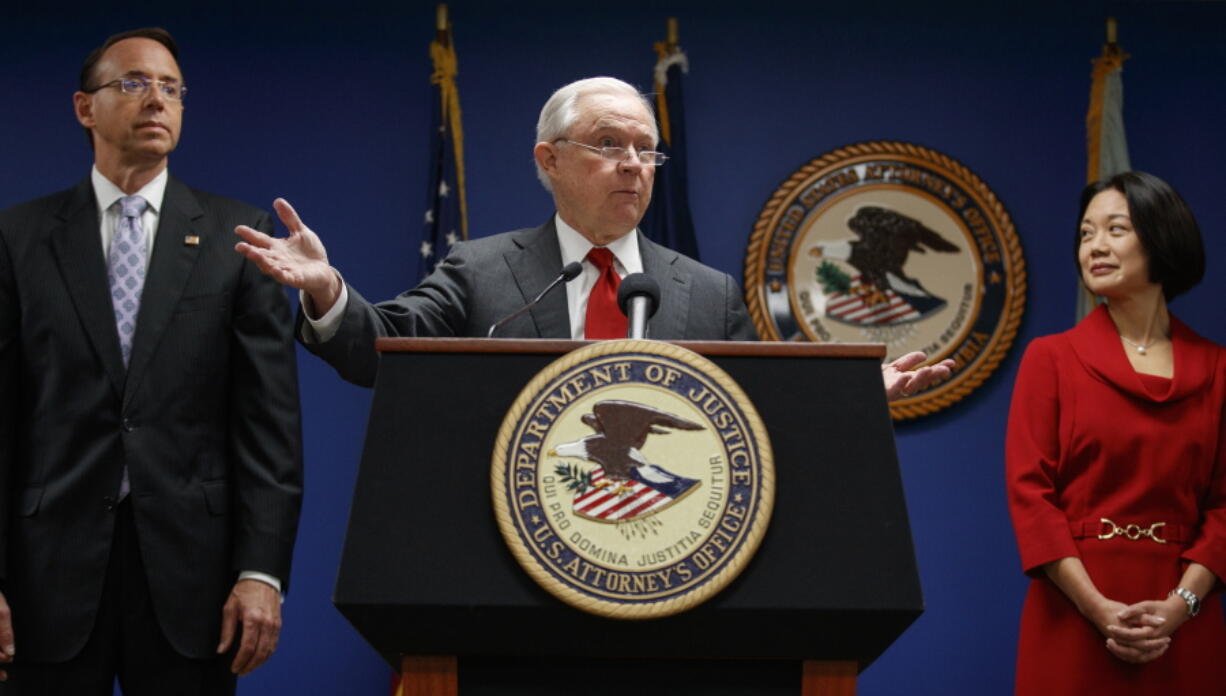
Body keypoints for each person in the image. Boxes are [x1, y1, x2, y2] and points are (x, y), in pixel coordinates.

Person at [234, 76, 950, 395]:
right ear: (550, 159)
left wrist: (854, 397)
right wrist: (329, 292)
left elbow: (759, 408)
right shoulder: (481, 272)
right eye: (610, 144)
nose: (634, 166)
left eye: (646, 149)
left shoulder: (706, 293)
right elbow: (383, 353)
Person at [0, 28, 303, 694]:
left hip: (193, 584)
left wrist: (261, 572)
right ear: (86, 108)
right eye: (134, 83)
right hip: (43, 577)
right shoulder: (16, 239)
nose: (157, 100)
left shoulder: (239, 238)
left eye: (171, 88)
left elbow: (268, 431)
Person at [1005, 171, 1226, 693]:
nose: (1095, 247)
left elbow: (1224, 506)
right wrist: (1098, 608)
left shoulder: (1217, 370)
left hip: (1182, 625)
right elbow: (1030, 499)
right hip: (1072, 615)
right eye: (1085, 233)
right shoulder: (1051, 359)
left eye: (1115, 229)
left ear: (1162, 239)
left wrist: (1181, 605)